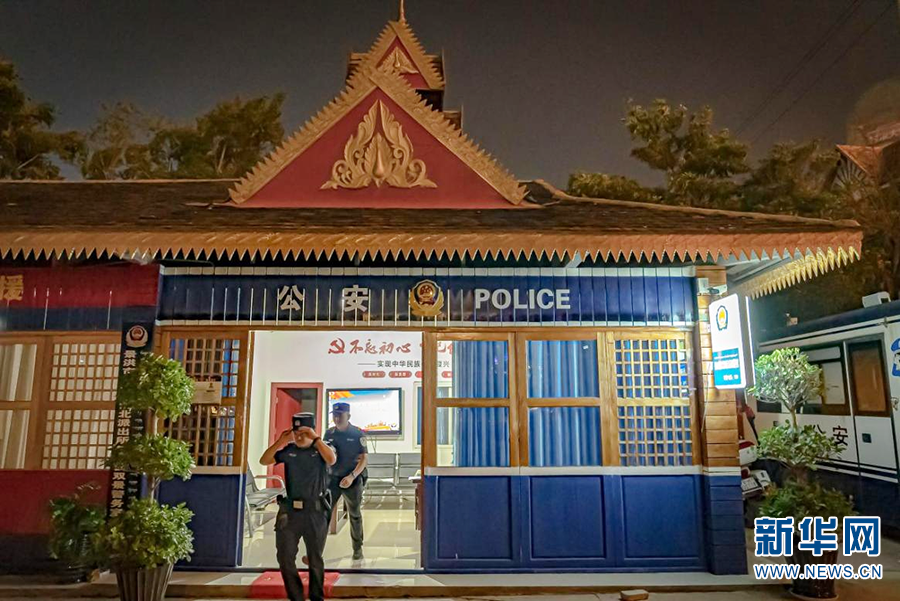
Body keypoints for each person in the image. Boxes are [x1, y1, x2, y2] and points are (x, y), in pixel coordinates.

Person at [259, 412, 336, 601]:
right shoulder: (289, 451)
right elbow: (264, 460)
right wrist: (280, 441)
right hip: (291, 511)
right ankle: (296, 597)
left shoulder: (321, 449)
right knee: (284, 557)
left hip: (315, 511)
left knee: (315, 558)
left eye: (304, 433)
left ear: (312, 432)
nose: (299, 437)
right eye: (296, 433)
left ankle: (316, 597)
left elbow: (331, 459)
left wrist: (316, 439)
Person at [323, 402, 368, 561]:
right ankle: (316, 551)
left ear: (348, 416)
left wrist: (352, 477)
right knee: (324, 514)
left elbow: (364, 459)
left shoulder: (357, 434)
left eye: (340, 415)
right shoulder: (329, 433)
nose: (337, 418)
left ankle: (357, 548)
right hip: (333, 478)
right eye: (335, 415)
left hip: (352, 479)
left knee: (354, 514)